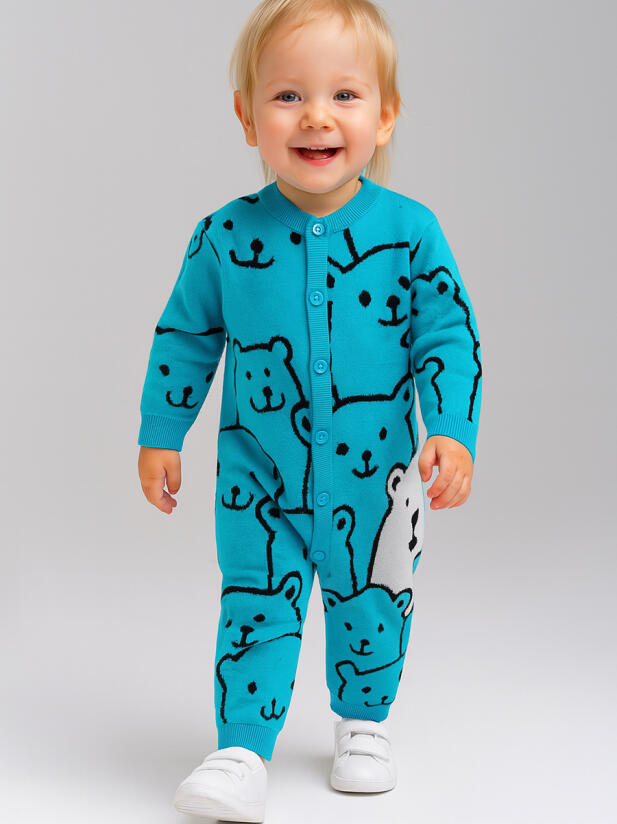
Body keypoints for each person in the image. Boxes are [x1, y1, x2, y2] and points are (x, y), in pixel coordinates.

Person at [137, 0, 482, 819]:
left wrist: (451, 429)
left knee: (374, 600)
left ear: (385, 115)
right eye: (287, 95)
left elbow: (448, 334)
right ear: (246, 115)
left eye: (344, 95)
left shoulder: (410, 232)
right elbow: (185, 335)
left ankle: (364, 724)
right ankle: (241, 749)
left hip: (378, 480)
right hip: (258, 478)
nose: (316, 116)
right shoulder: (224, 238)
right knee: (254, 600)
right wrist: (162, 431)